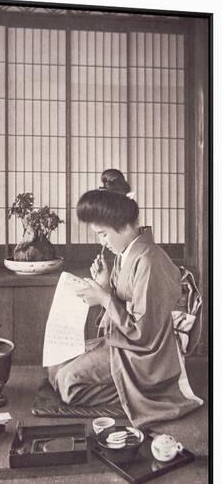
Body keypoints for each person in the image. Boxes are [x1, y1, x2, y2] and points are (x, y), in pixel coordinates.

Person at [48, 169, 203, 427]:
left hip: (147, 353)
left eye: (103, 234)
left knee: (67, 382)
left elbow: (145, 333)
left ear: (123, 226)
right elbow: (122, 303)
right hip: (126, 340)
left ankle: (137, 393)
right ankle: (122, 388)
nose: (102, 242)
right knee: (55, 365)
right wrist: (104, 283)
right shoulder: (125, 254)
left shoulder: (150, 261)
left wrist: (105, 299)